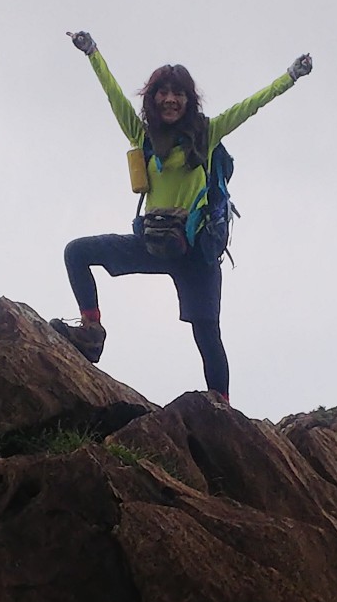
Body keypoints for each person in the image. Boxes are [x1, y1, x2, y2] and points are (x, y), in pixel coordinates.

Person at [52, 30, 312, 405]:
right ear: (153, 98)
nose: (170, 99)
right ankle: (91, 331)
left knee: (207, 334)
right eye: (163, 92)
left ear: (189, 100)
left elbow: (252, 105)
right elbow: (113, 95)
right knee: (76, 252)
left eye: (178, 93)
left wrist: (290, 76)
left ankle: (220, 409)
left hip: (195, 254)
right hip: (153, 243)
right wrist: (92, 53)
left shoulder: (206, 135)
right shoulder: (141, 134)